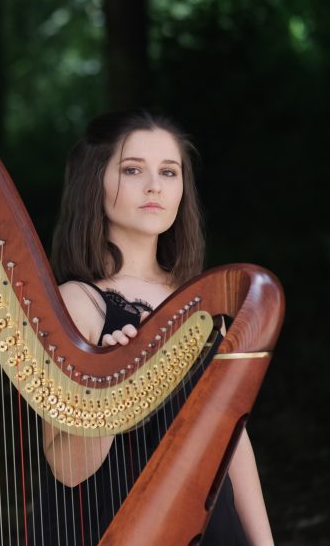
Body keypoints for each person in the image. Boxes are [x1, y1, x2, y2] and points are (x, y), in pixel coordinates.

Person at [41, 109, 273, 545]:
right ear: (96, 182)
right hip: (118, 529)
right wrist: (113, 383)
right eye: (133, 170)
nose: (155, 186)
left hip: (213, 529)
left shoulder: (204, 299)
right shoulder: (79, 302)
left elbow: (233, 439)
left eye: (169, 172)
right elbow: (69, 472)